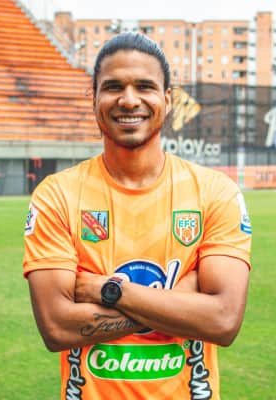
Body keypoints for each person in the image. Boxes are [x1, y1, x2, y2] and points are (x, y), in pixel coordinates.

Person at [22, 32, 252, 400]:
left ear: (167, 99)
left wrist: (108, 291)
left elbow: (223, 321)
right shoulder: (57, 195)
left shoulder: (215, 192)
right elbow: (57, 327)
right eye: (113, 87)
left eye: (144, 86)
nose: (129, 100)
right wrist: (177, 301)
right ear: (94, 98)